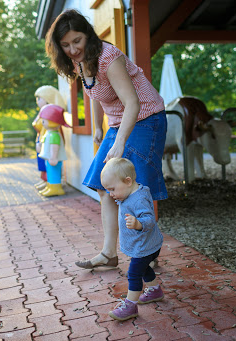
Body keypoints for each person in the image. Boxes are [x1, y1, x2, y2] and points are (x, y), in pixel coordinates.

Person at [45, 9, 168, 268]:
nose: (72, 49)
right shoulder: (80, 62)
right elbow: (95, 94)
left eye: (77, 41)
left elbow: (132, 103)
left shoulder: (108, 57)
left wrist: (120, 141)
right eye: (65, 45)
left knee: (137, 189)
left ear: (88, 35)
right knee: (104, 187)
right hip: (118, 123)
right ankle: (109, 254)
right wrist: (99, 128)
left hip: (146, 118)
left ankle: (147, 256)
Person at [100, 158, 164, 321]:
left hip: (145, 247)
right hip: (146, 245)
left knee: (134, 274)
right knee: (144, 269)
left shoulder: (139, 198)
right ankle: (155, 290)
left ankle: (130, 306)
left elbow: (149, 219)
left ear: (128, 181)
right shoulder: (128, 193)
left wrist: (138, 223)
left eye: (112, 189)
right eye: (108, 190)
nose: (110, 194)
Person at [33, 86, 67, 191]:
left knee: (51, 166)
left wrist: (53, 156)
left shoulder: (53, 130)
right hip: (42, 139)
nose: (37, 101)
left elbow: (38, 125)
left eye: (39, 98)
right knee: (44, 163)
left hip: (46, 142)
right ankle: (48, 183)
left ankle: (53, 184)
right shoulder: (42, 113)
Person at [37, 104, 70, 197]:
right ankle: (50, 186)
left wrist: (53, 157)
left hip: (53, 159)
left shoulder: (54, 135)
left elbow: (54, 146)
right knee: (50, 172)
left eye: (44, 120)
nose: (42, 123)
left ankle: (56, 187)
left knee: (54, 172)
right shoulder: (49, 133)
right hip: (49, 159)